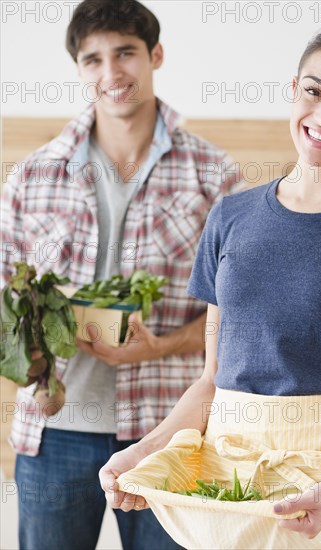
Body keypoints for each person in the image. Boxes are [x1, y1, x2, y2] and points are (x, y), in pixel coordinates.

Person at [99, 26, 321, 549]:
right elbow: (212, 383)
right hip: (232, 493)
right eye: (314, 91)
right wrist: (143, 449)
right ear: (293, 90)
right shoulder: (231, 218)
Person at [0, 0, 242, 548]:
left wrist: (158, 348)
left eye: (126, 53)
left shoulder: (214, 177)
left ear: (155, 54)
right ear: (80, 70)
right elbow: (4, 299)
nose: (111, 73)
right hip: (54, 432)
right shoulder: (32, 176)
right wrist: (29, 351)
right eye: (93, 59)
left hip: (170, 434)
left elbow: (244, 313)